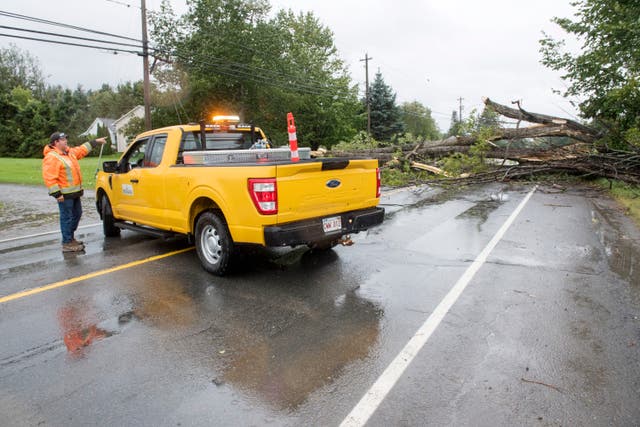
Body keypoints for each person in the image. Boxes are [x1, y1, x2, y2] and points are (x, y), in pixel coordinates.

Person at [42, 132, 107, 252]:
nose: (66, 141)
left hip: (74, 193)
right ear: (56, 142)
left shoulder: (69, 152)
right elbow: (49, 177)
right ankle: (67, 242)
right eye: (63, 139)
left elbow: (82, 149)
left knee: (77, 214)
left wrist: (96, 142)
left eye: (66, 138)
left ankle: (70, 238)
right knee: (66, 217)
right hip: (64, 195)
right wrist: (57, 194)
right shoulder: (52, 157)